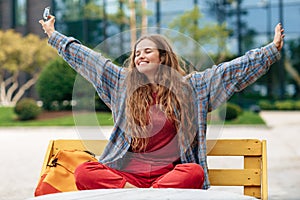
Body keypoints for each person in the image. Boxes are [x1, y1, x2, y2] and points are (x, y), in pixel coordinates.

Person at [39, 15, 284, 190]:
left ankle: (149, 194)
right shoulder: (123, 84)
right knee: (85, 171)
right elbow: (90, 61)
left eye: (147, 51)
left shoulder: (192, 88)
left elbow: (229, 72)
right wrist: (55, 37)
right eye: (136, 53)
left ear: (163, 56)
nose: (139, 56)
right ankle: (139, 194)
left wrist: (270, 51)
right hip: (127, 174)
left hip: (169, 175)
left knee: (194, 173)